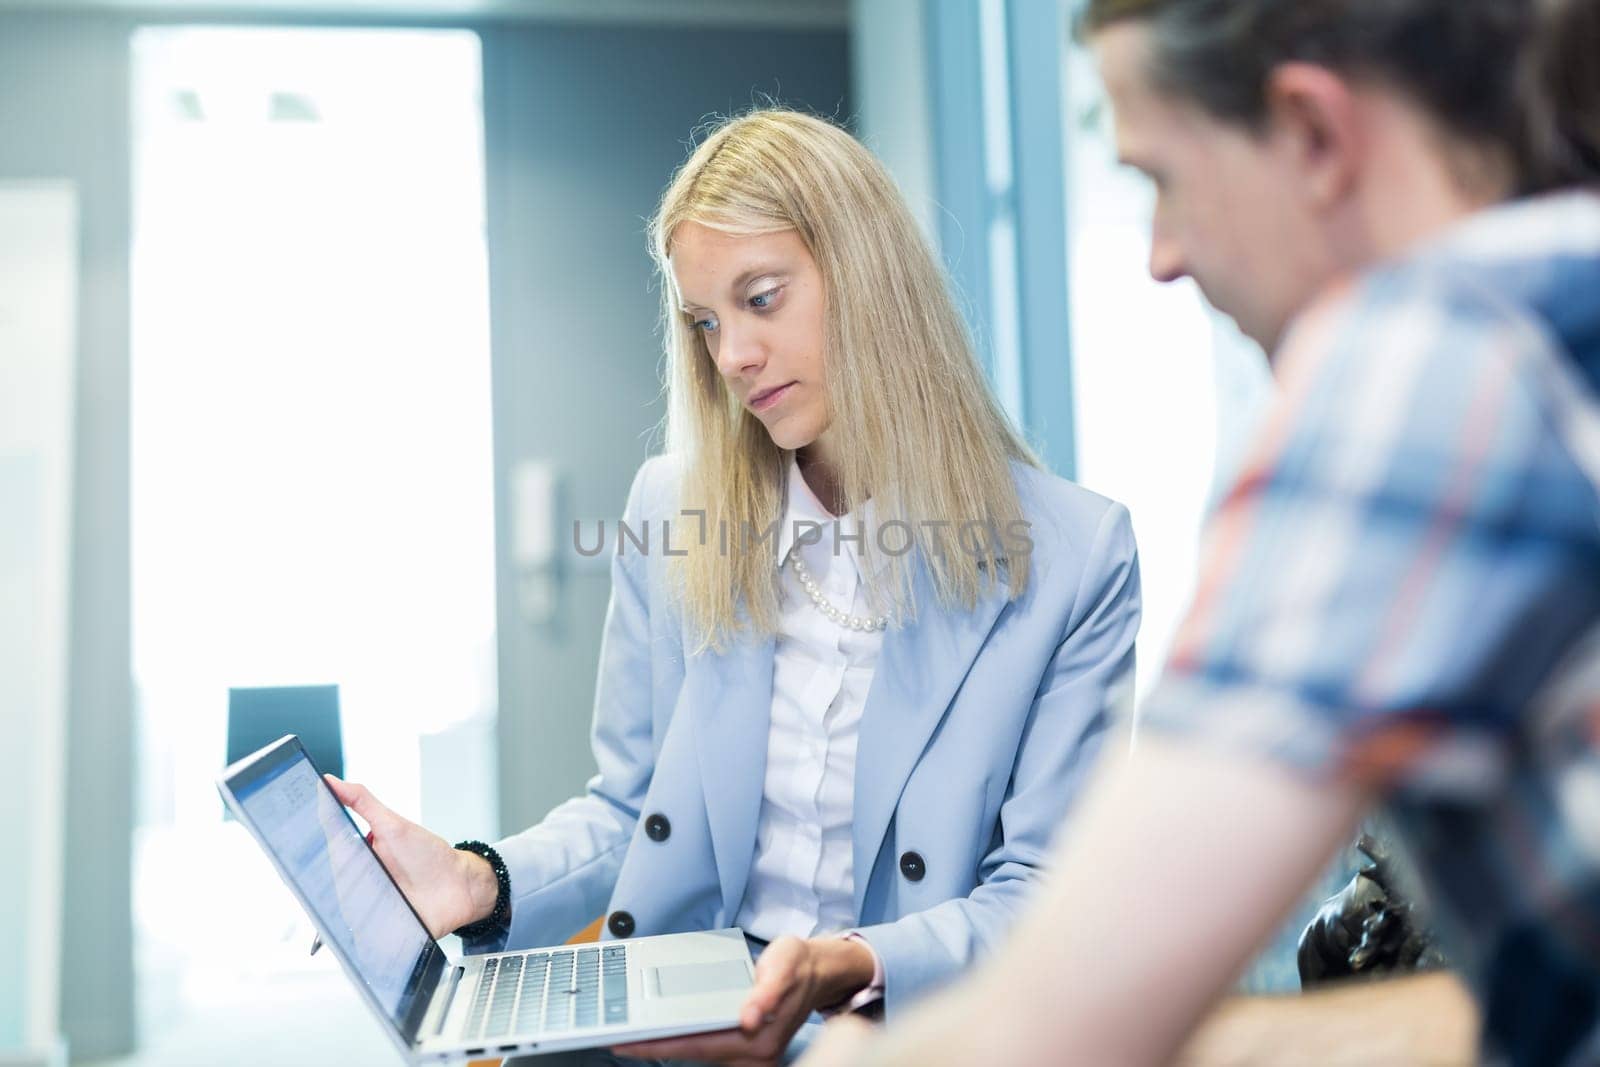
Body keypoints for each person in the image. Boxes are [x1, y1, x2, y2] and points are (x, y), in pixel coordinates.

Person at [803, 0, 1600, 1064]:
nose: (1160, 257)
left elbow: (1044, 1031)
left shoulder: (1436, 357)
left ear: (1312, 134)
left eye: (1159, 180)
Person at [326, 108, 1142, 1064]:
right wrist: (479, 879)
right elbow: (630, 808)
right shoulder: (674, 510)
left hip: (904, 1030)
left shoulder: (1076, 554)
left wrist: (841, 966)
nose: (732, 357)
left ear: (869, 276)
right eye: (706, 322)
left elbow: (1044, 894)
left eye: (762, 299)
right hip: (684, 1016)